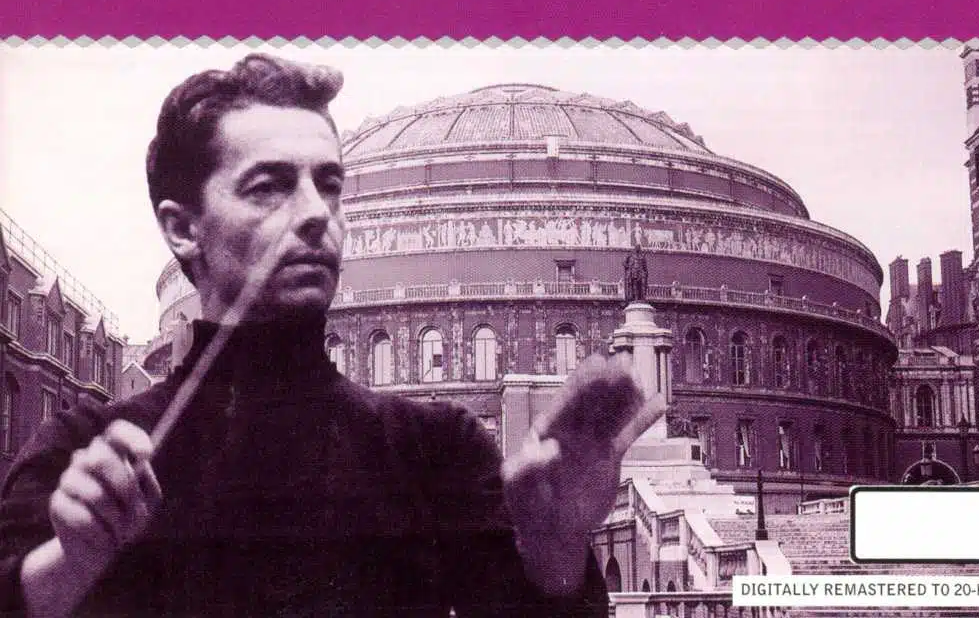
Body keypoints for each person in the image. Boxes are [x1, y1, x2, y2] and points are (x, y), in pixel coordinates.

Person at [0, 55, 663, 617]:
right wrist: (72, 560)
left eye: (330, 185)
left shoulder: (437, 450)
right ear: (183, 228)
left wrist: (555, 550)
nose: (317, 214)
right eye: (269, 187)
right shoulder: (84, 455)